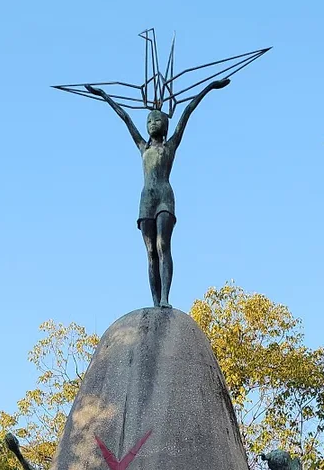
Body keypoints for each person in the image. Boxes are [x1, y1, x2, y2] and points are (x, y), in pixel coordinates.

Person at [84, 78, 230, 307]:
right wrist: (103, 94)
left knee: (163, 245)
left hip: (164, 197)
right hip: (146, 200)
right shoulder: (143, 146)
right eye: (150, 120)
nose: (153, 123)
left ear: (165, 124)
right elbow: (125, 118)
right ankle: (155, 301)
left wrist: (211, 87)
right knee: (150, 251)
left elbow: (189, 110)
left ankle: (165, 299)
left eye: (157, 119)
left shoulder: (170, 146)